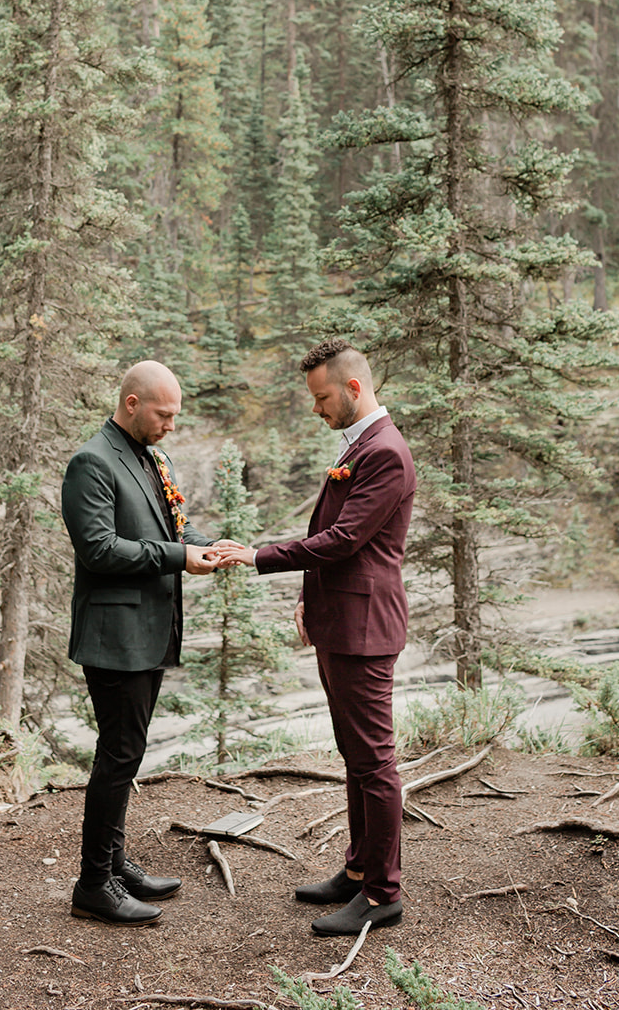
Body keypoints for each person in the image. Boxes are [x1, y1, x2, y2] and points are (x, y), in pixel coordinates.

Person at [212, 337, 416, 937]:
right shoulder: (360, 445)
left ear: (354, 388)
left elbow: (346, 540)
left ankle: (382, 893)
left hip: (365, 627)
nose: (316, 408)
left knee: (374, 762)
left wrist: (256, 557)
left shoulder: (386, 453)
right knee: (355, 756)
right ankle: (357, 873)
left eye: (322, 397)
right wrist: (308, 596)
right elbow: (332, 533)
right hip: (340, 618)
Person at [61, 360, 223, 926]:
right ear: (132, 403)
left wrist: (208, 546)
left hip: (149, 631)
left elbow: (171, 531)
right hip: (115, 637)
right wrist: (181, 557)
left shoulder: (153, 456)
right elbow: (99, 550)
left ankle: (113, 862)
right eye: (165, 413)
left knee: (126, 753)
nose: (172, 425)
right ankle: (93, 883)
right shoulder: (92, 462)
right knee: (119, 754)